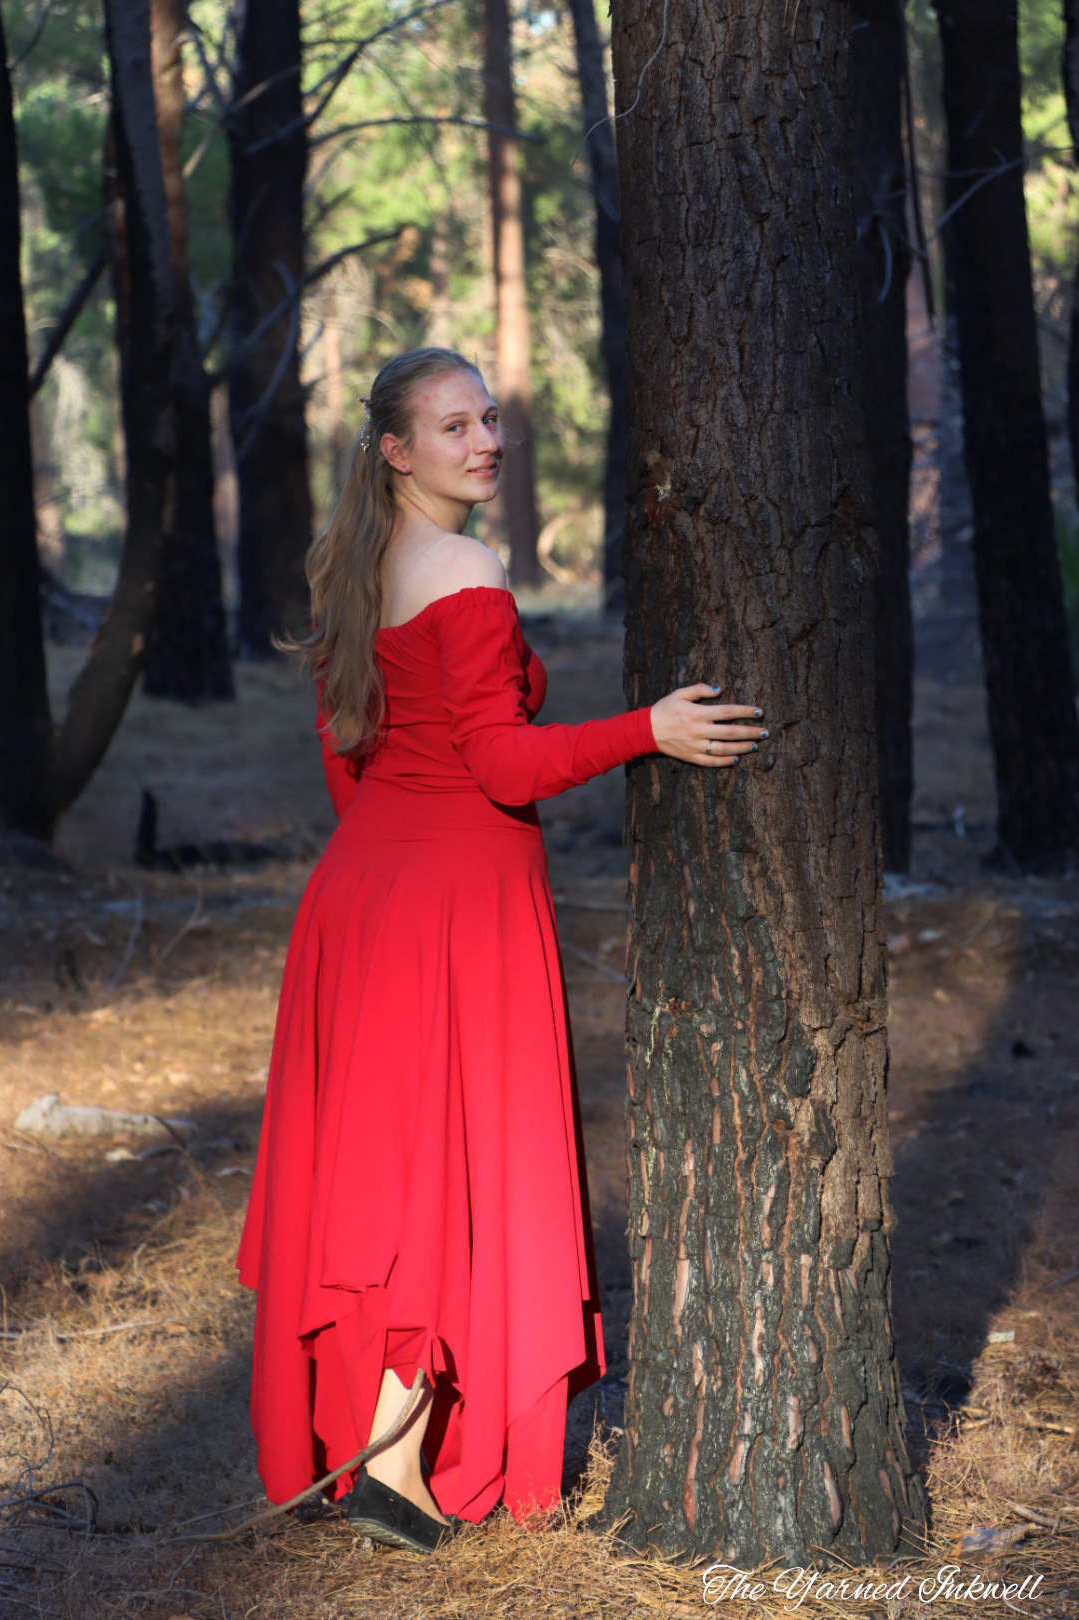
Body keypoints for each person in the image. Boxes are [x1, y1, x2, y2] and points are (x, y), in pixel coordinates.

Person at [236, 347, 765, 1553]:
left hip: (364, 902)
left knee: (389, 1179)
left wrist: (390, 861)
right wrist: (650, 730)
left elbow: (346, 761)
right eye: (455, 425)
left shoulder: (357, 570)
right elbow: (499, 761)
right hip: (452, 910)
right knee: (437, 1181)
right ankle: (394, 1465)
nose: (485, 441)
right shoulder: (465, 567)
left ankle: (379, 1450)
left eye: (489, 420)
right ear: (396, 449)